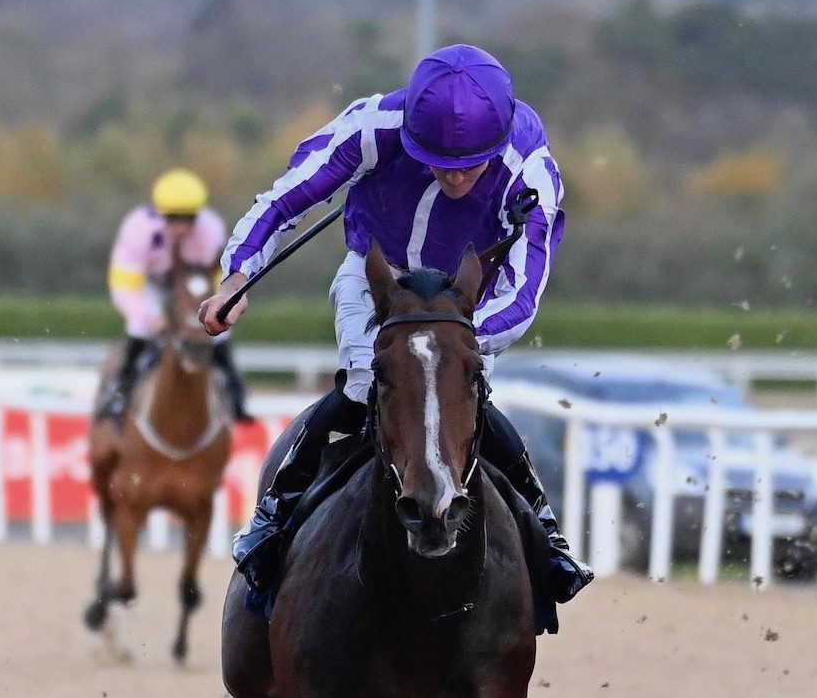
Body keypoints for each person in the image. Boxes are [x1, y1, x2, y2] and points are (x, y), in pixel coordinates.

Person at [201, 43, 592, 611]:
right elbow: (285, 200)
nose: (455, 180)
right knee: (366, 387)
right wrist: (237, 272)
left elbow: (524, 292)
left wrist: (449, 341)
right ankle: (274, 514)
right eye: (438, 163)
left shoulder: (531, 171)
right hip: (378, 278)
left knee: (461, 397)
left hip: (464, 300)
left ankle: (544, 531)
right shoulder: (372, 128)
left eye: (469, 168)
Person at [100, 169, 252, 424]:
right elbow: (124, 286)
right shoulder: (137, 229)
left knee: (219, 329)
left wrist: (217, 307)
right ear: (161, 214)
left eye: (188, 220)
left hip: (193, 284)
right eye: (173, 219)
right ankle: (120, 393)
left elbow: (220, 279)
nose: (181, 229)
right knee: (139, 326)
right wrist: (151, 319)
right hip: (150, 284)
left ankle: (236, 395)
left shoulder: (211, 228)